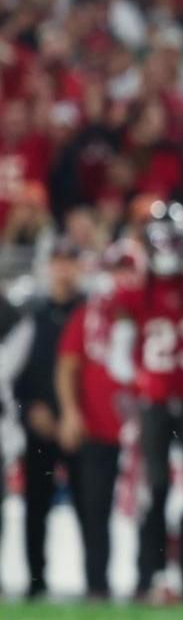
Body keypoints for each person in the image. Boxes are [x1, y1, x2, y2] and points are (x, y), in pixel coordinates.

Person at [110, 201, 183, 603]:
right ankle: (160, 577)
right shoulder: (133, 293)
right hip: (157, 405)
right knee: (157, 490)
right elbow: (118, 356)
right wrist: (144, 384)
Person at [54, 241, 142, 599]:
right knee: (94, 510)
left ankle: (150, 581)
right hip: (98, 428)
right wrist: (71, 413)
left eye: (128, 268)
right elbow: (68, 365)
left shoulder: (151, 312)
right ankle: (97, 585)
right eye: (116, 269)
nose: (122, 277)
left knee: (151, 510)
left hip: (143, 431)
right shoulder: (88, 314)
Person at [2, 242, 86, 597]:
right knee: (36, 504)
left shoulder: (90, 310)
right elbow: (13, 374)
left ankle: (96, 580)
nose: (63, 270)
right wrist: (29, 410)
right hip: (38, 422)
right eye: (58, 262)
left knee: (90, 506)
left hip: (83, 425)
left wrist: (78, 415)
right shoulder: (31, 313)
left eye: (70, 261)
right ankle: (36, 580)